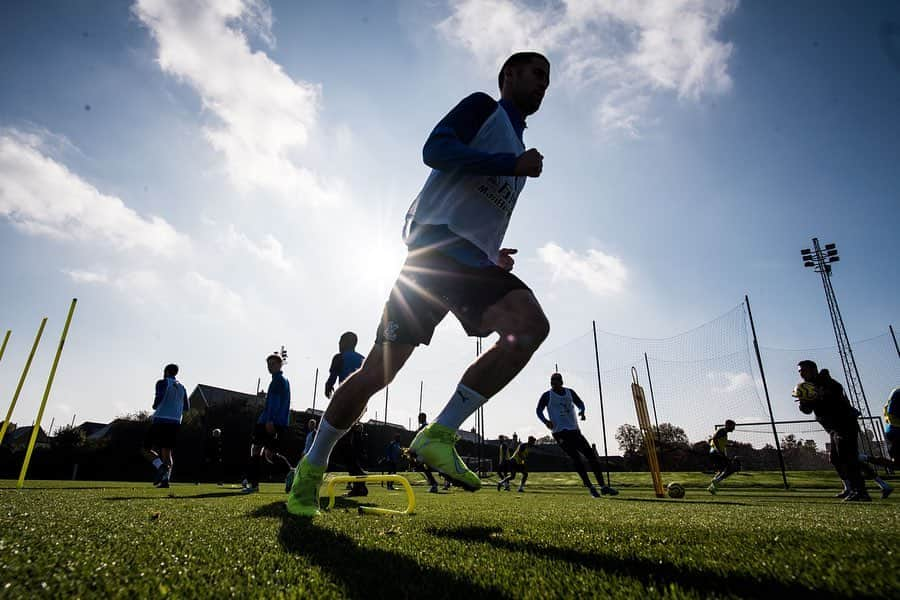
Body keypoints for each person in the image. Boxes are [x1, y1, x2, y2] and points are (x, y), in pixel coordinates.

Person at [288, 52, 551, 517]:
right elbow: (435, 150)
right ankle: (312, 466)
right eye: (536, 74)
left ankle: (440, 433)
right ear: (508, 75)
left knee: (528, 328)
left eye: (547, 79)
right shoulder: (482, 109)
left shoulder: (520, 152)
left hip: (469, 261)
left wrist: (495, 256)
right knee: (377, 374)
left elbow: (476, 209)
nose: (543, 85)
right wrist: (509, 163)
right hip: (433, 254)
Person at [795, 361, 870, 501]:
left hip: (845, 423)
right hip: (833, 428)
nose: (801, 373)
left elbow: (837, 392)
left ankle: (860, 491)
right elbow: (807, 410)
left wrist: (820, 395)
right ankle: (849, 488)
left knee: (847, 456)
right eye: (799, 371)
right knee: (835, 458)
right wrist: (803, 402)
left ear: (813, 370)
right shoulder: (807, 387)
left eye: (804, 370)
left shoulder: (827, 381)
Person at [537, 373, 617, 498]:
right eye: (552, 382)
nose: (554, 384)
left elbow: (580, 403)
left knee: (591, 456)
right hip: (560, 433)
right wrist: (546, 421)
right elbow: (538, 410)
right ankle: (591, 488)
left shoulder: (570, 392)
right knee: (576, 458)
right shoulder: (547, 396)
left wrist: (582, 411)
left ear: (561, 382)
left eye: (556, 382)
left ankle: (603, 486)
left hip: (574, 431)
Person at [242, 353, 291, 494]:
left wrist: (270, 420)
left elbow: (275, 403)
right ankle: (292, 474)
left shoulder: (278, 380)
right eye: (268, 364)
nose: (270, 367)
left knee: (257, 450)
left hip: (269, 421)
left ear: (280, 365)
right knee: (268, 453)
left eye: (273, 364)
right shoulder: (282, 380)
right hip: (276, 421)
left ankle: (254, 484)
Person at [143, 363, 189, 488]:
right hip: (175, 422)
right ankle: (165, 481)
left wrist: (155, 405)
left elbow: (158, 398)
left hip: (160, 420)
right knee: (167, 453)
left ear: (167, 371)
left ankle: (161, 467)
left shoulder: (162, 383)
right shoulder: (182, 387)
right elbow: (186, 407)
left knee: (145, 449)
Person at [412, 412, 440, 493]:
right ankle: (433, 483)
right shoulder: (425, 427)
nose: (418, 419)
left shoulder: (425, 427)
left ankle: (434, 484)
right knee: (423, 467)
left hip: (426, 451)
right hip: (426, 451)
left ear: (423, 418)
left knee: (423, 466)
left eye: (419, 417)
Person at [706, 420, 737, 494]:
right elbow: (714, 439)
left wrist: (731, 445)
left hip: (717, 452)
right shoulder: (722, 431)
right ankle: (715, 481)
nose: (734, 428)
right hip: (716, 453)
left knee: (722, 469)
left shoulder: (724, 433)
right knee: (731, 468)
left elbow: (722, 443)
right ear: (728, 425)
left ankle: (712, 487)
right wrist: (719, 451)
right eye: (733, 426)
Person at [885, 387, 899, 468]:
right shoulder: (897, 392)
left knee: (896, 462)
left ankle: (865, 458)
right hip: (896, 430)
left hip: (892, 429)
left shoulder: (895, 391)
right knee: (896, 462)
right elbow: (892, 412)